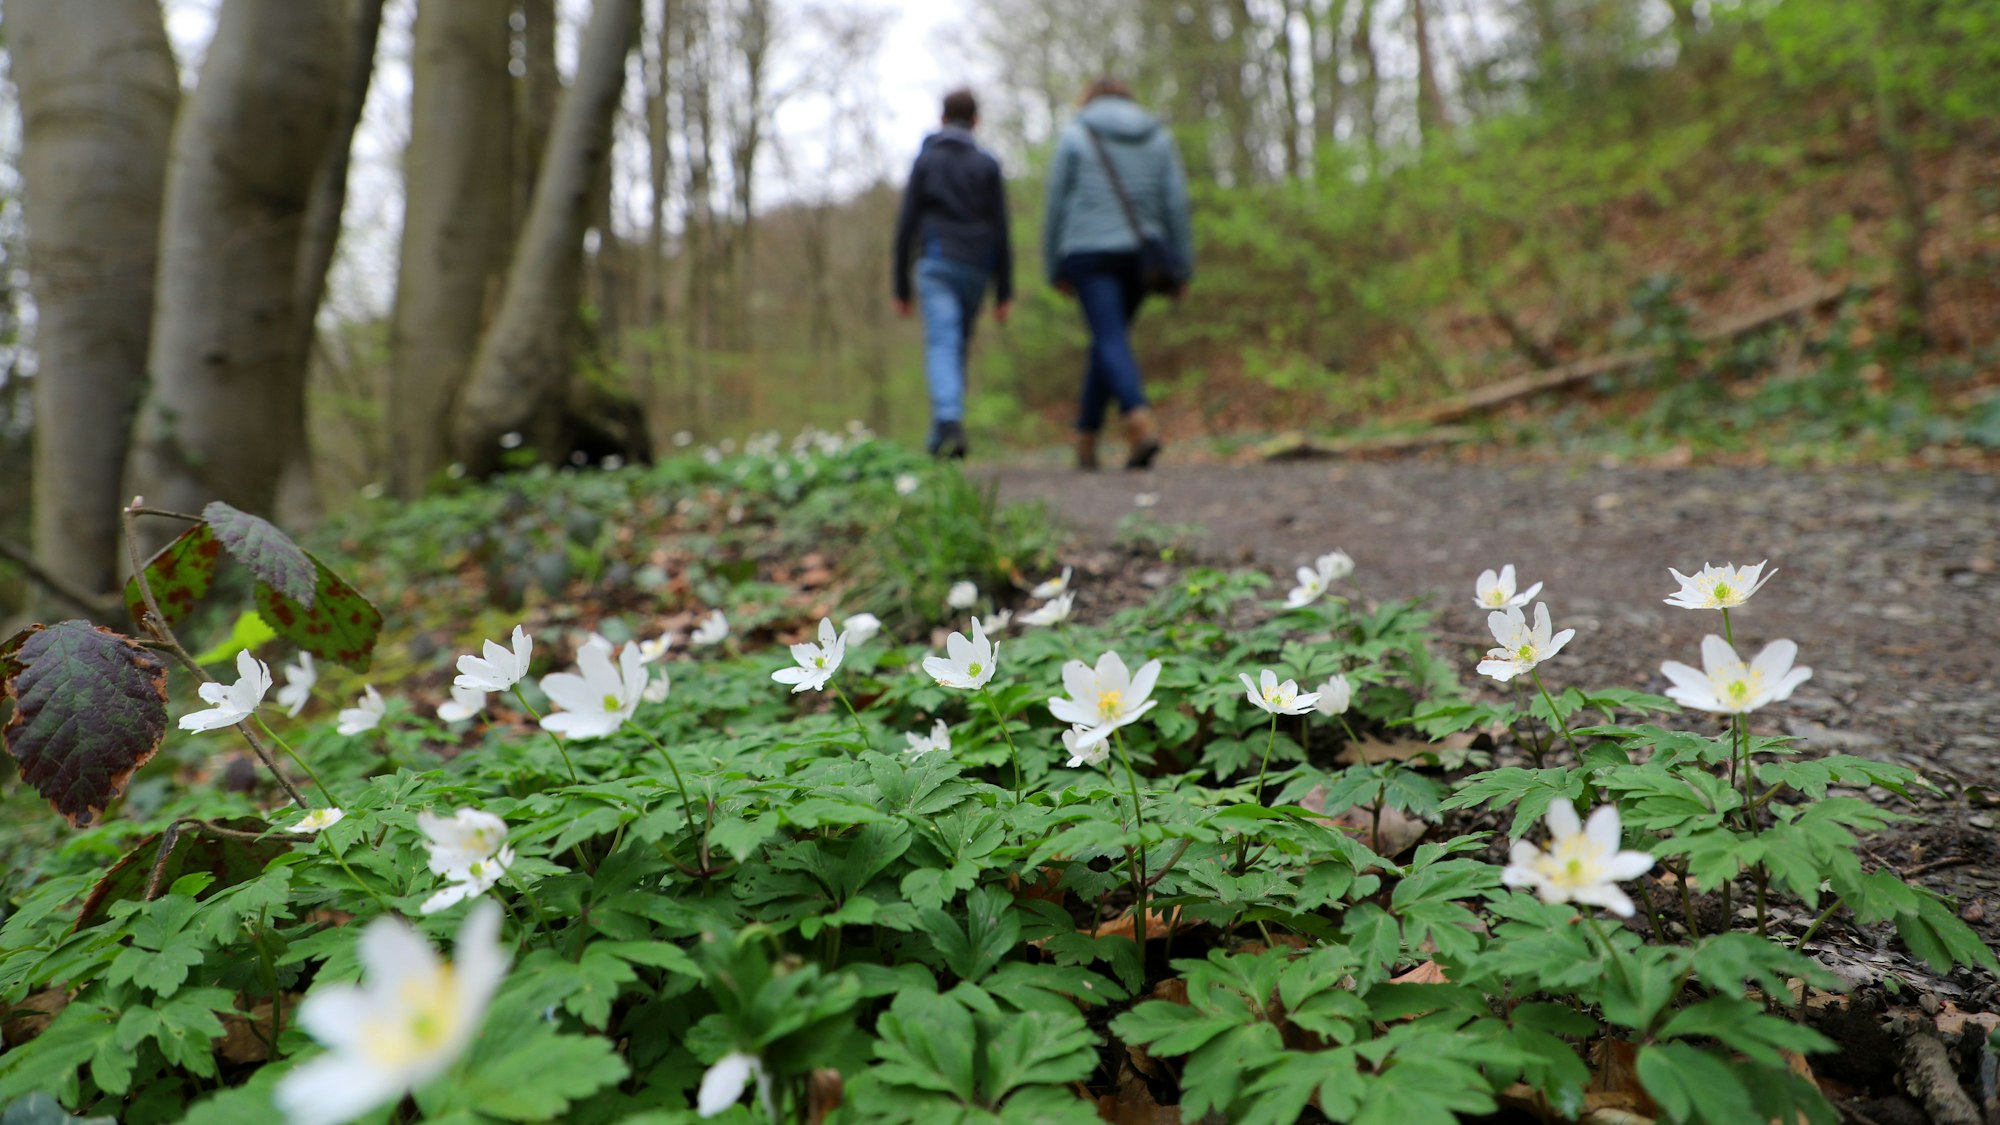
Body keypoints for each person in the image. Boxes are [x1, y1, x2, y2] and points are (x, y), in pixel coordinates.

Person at [1042, 78, 1192, 470]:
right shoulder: (1158, 137)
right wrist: (1183, 266)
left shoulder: (1076, 134)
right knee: (1110, 339)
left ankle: (1138, 420)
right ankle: (1085, 438)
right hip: (1141, 255)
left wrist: (1052, 265)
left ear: (1089, 98)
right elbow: (1176, 203)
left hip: (1087, 250)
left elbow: (1055, 204)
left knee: (1108, 338)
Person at [892, 88, 1013, 460]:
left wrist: (899, 284)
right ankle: (942, 435)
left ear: (942, 119)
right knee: (955, 345)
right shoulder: (987, 164)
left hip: (938, 262)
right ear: (976, 121)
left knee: (944, 343)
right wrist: (1005, 289)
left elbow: (906, 225)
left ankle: (946, 425)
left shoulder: (926, 161)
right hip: (977, 267)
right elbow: (1001, 228)